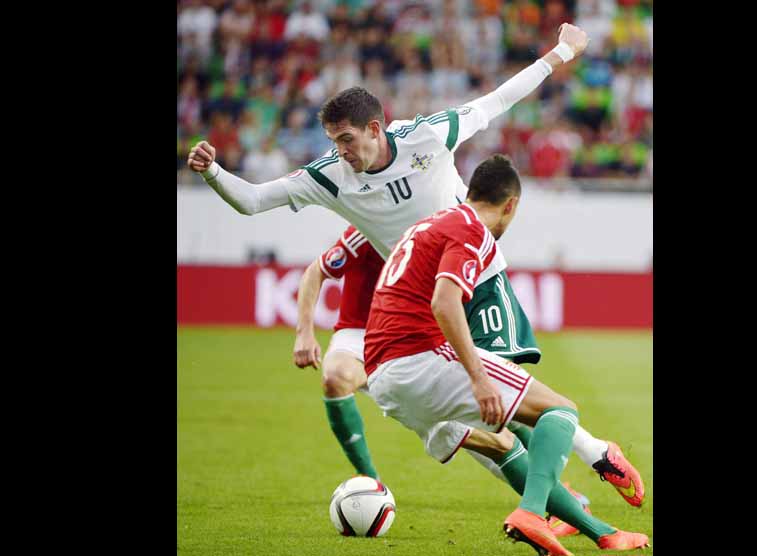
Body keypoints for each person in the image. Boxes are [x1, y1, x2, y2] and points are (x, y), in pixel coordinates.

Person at [188, 23, 643, 507]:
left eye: (346, 139)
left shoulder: (428, 135)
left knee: (507, 394)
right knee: (484, 412)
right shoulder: (329, 176)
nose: (340, 151)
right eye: (333, 140)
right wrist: (214, 171)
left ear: (374, 129)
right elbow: (255, 200)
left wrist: (561, 53)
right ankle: (560, 496)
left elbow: (498, 100)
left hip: (478, 278)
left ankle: (585, 467)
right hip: (425, 305)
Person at [363, 154, 649, 554]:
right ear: (511, 204)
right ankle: (532, 512)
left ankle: (601, 533)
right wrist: (479, 378)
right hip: (416, 359)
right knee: (561, 412)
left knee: (506, 441)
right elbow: (444, 303)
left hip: (382, 379)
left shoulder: (431, 223)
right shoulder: (472, 229)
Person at [295, 223, 601, 539]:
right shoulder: (368, 226)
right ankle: (369, 478)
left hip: (413, 344)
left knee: (492, 435)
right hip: (358, 335)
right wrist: (304, 332)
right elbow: (316, 270)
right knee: (335, 376)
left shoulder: (440, 232)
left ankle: (564, 501)